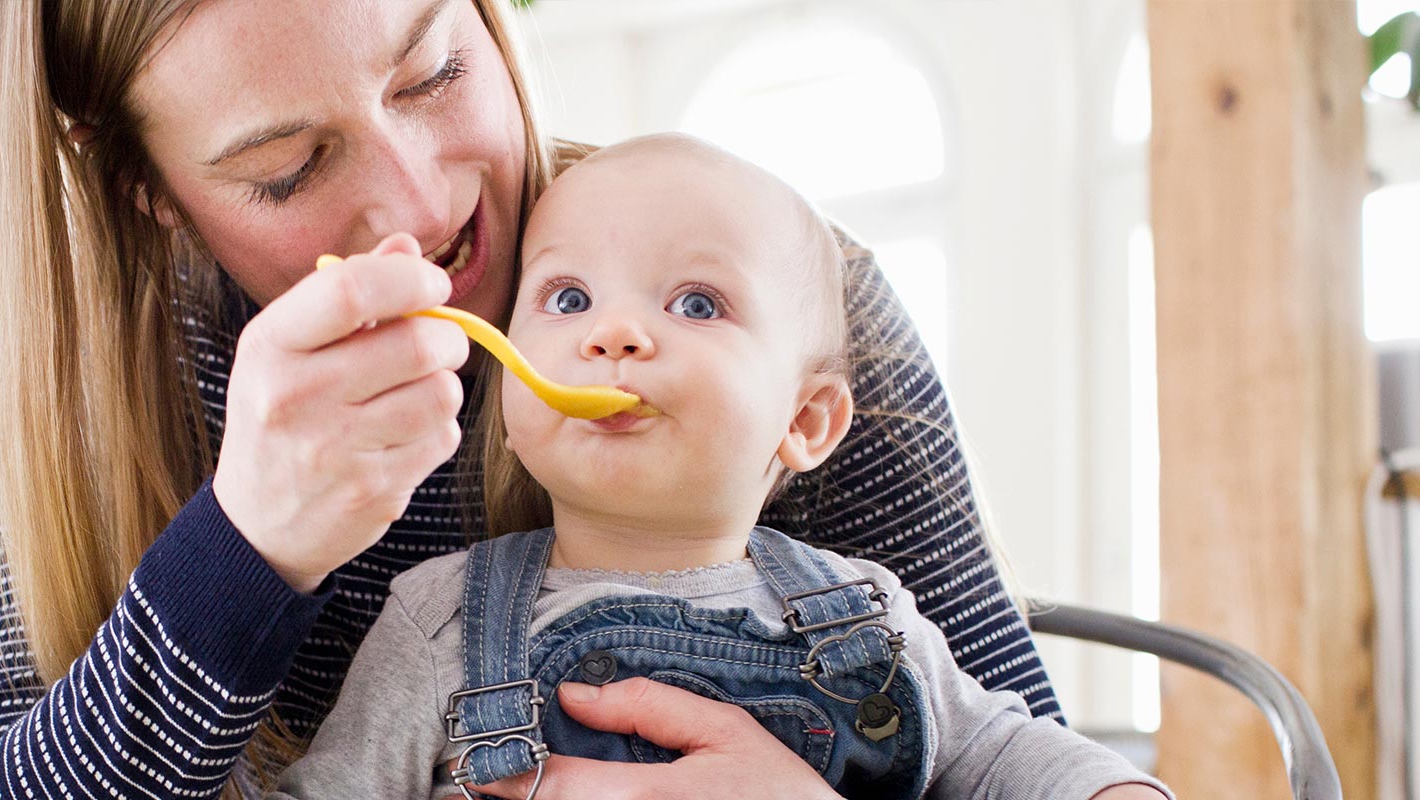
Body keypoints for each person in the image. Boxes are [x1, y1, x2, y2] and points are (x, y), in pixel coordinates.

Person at [0, 1, 1063, 797]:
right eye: (289, 167)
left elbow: (1029, 754)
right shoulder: (121, 390)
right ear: (151, 192)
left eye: (432, 73)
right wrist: (242, 553)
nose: (418, 206)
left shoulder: (786, 313)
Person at [266, 134, 1169, 800]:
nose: (613, 333)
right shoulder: (439, 620)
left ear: (805, 420)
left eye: (697, 303)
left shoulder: (868, 615)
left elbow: (1009, 758)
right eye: (568, 297)